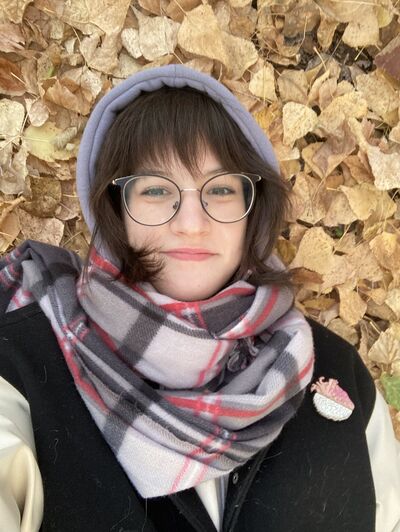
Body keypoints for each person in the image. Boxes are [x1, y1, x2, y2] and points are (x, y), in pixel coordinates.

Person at [0, 64, 399, 532]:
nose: (191, 223)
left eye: (222, 188)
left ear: (253, 210)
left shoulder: (337, 370)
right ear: (115, 209)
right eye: (155, 189)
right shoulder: (23, 367)